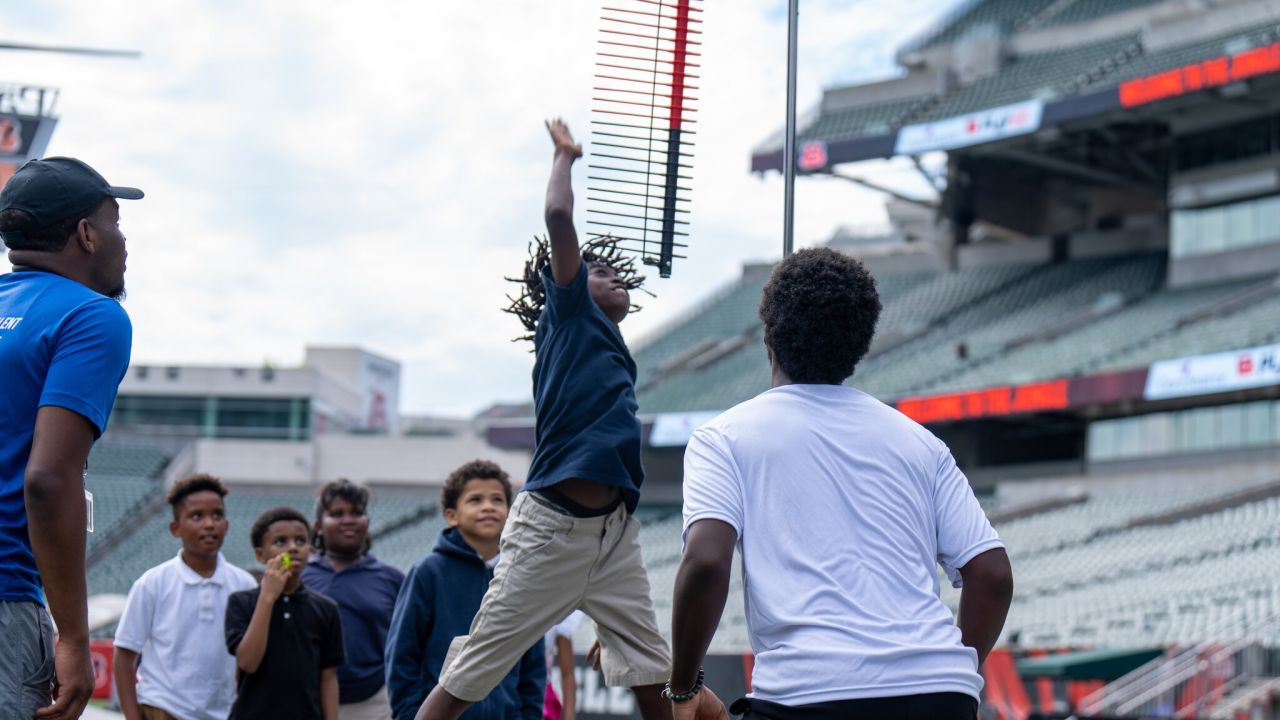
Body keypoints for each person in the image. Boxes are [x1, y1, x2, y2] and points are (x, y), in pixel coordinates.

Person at [670, 248, 1015, 720]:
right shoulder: (921, 443)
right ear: (859, 346)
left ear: (769, 339)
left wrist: (683, 688)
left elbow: (708, 561)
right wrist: (951, 679)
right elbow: (992, 576)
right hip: (941, 695)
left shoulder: (723, 438)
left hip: (807, 696)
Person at [416, 119, 670, 720]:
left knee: (650, 670)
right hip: (551, 531)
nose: (610, 277)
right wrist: (565, 157)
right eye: (597, 271)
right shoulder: (570, 314)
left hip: (612, 537)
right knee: (476, 666)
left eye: (611, 273)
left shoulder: (609, 346)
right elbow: (560, 219)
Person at [0, 157, 142, 719]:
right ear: (85, 234)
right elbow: (48, 476)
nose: (123, 240)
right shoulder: (91, 316)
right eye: (114, 221)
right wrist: (74, 640)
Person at [386, 460, 544, 720]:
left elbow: (533, 665)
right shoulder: (428, 572)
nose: (488, 507)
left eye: (497, 499)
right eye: (475, 500)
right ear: (452, 515)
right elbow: (403, 655)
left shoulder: (522, 577)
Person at [113, 473, 258, 720]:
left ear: (227, 524)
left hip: (223, 713)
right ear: (175, 528)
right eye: (196, 516)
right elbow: (124, 655)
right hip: (161, 709)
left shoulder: (245, 584)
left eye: (217, 515)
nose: (210, 524)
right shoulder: (153, 583)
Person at [225, 506, 345, 720]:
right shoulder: (241, 602)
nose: (293, 548)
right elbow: (248, 662)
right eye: (280, 542)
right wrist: (267, 597)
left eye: (300, 541)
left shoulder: (326, 609)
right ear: (260, 555)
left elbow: (328, 677)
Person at [303, 479, 405, 720]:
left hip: (375, 703)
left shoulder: (392, 580)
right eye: (337, 514)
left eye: (357, 513)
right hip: (309, 700)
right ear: (318, 526)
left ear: (367, 522)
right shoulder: (299, 579)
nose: (348, 520)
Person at [543, 611, 583, 720]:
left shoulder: (557, 611)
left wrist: (569, 717)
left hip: (542, 699)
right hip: (510, 692)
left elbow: (567, 673)